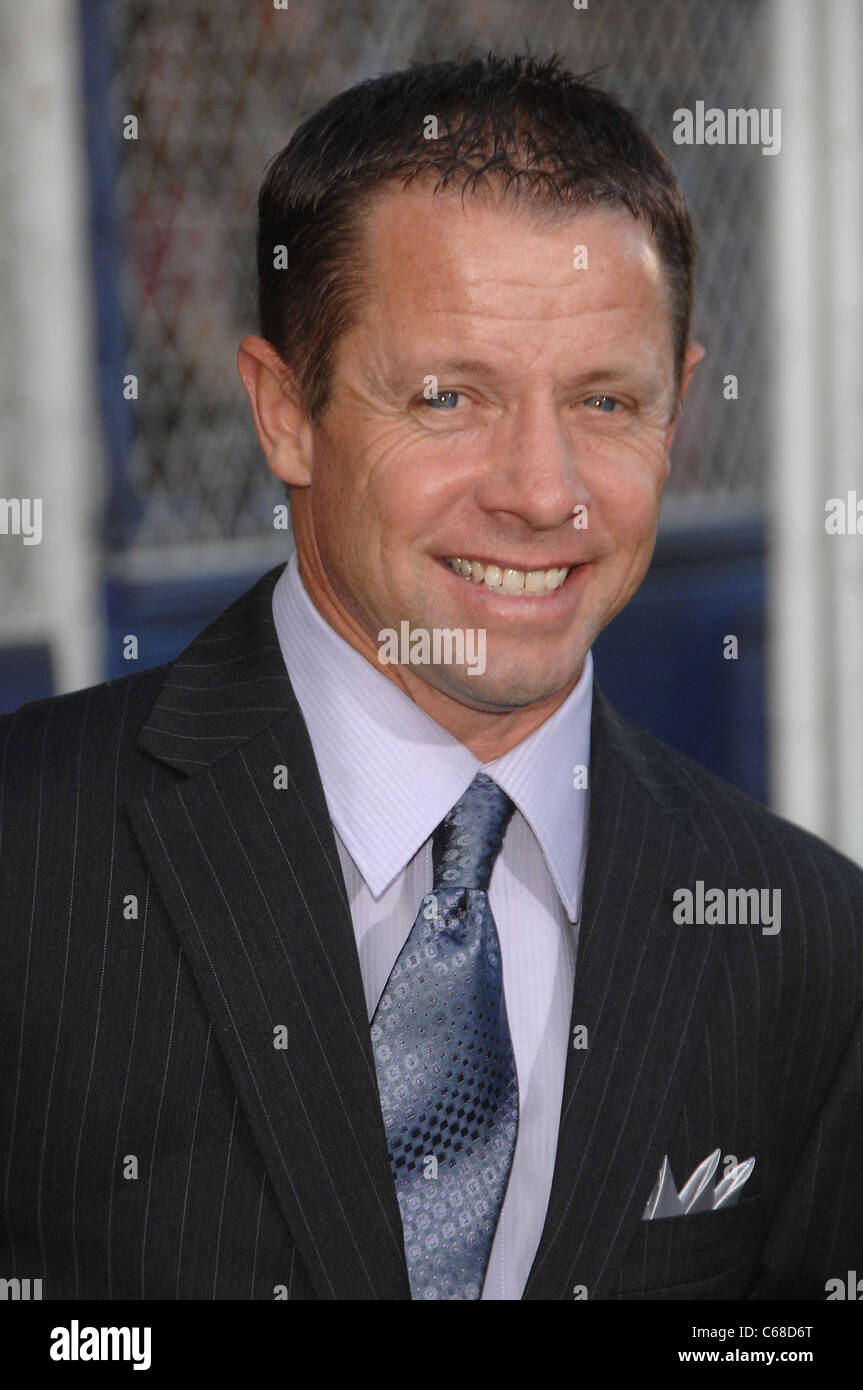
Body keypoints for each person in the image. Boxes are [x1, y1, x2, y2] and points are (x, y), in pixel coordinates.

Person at [1, 52, 861, 1303]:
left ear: (676, 409)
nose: (541, 491)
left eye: (606, 401)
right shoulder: (27, 857)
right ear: (283, 410)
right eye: (448, 395)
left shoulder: (805, 940)